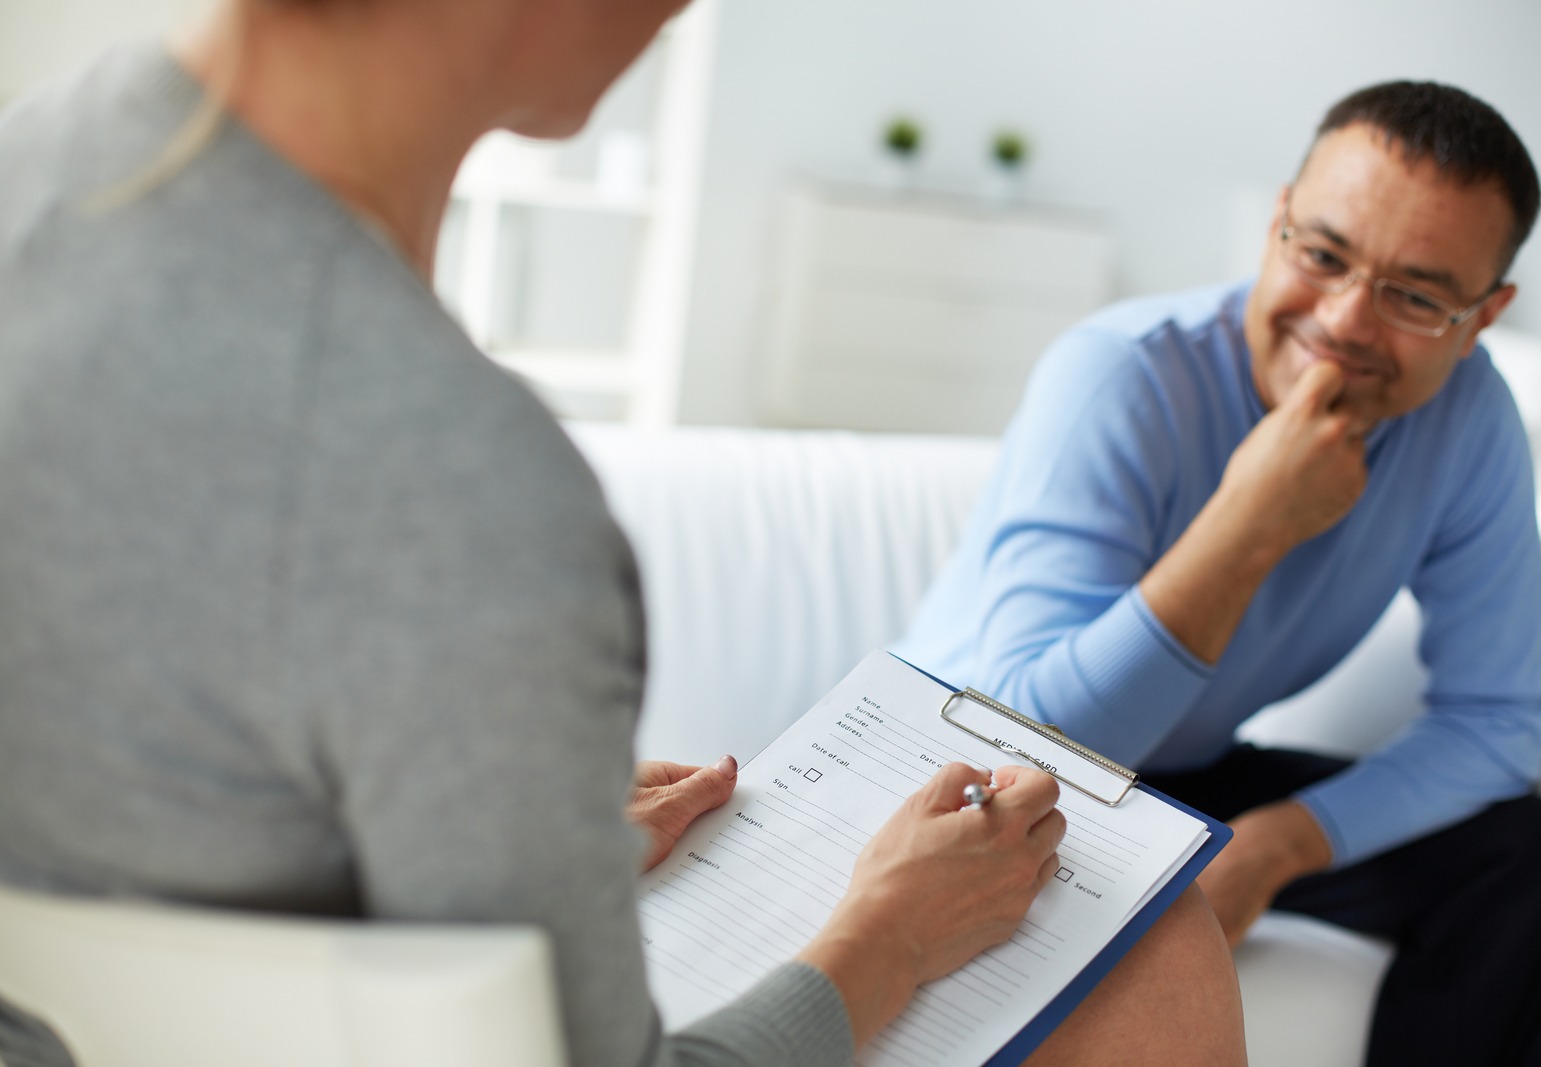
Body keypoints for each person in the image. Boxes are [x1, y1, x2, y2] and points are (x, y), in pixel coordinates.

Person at [0, 1, 1249, 1065]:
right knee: (1156, 956)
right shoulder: (456, 476)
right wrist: (889, 935)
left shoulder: (36, 162)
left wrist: (519, 807)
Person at [896, 80, 1541, 1066]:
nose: (1347, 320)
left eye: (1415, 295)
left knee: (1528, 857)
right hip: (964, 768)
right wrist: (1249, 523)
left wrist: (1277, 842)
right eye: (1322, 254)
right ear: (1276, 224)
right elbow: (1028, 741)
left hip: (1175, 780)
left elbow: (1497, 717)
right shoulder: (1119, 373)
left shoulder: (1468, 420)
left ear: (1483, 315)